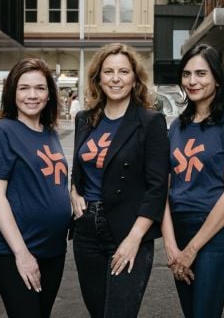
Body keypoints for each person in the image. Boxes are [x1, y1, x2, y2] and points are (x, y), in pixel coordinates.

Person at [70, 43, 169, 318]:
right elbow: (79, 168)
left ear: (135, 78)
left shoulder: (150, 122)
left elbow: (157, 187)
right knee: (98, 312)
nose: (116, 78)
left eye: (123, 71)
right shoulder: (84, 120)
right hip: (86, 232)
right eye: (109, 71)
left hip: (128, 229)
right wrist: (74, 191)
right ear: (98, 78)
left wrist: (134, 239)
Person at [161, 44, 224, 317]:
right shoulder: (177, 126)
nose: (192, 81)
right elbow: (162, 190)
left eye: (201, 73)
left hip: (217, 234)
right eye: (187, 74)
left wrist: (191, 249)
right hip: (179, 230)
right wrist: (170, 245)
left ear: (216, 78)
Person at [0, 58, 72, 318]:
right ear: (13, 92)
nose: (32, 95)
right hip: (16, 252)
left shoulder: (50, 133)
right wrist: (22, 254)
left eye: (40, 88)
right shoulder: (4, 131)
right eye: (24, 88)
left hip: (54, 250)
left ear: (49, 94)